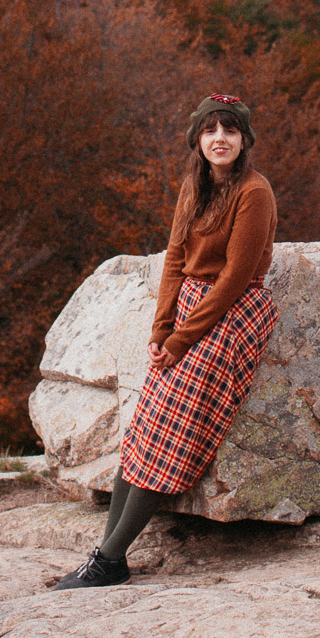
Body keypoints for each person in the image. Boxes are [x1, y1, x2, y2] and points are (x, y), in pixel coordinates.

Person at [54, 93, 278, 589]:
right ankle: (107, 556)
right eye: (210, 131)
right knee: (144, 429)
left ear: (244, 140)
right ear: (198, 140)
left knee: (174, 433)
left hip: (232, 313)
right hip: (187, 313)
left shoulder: (254, 192)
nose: (220, 139)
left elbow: (235, 278)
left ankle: (110, 558)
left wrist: (180, 341)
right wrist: (160, 331)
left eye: (230, 131)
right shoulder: (193, 187)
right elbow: (175, 258)